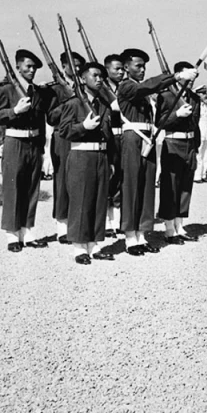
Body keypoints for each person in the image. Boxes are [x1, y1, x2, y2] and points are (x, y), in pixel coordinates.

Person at [117, 48, 195, 255]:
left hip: (148, 138)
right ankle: (129, 238)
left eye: (144, 66)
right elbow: (148, 86)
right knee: (132, 187)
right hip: (133, 138)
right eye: (138, 65)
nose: (142, 70)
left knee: (146, 189)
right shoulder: (126, 86)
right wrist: (176, 77)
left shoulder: (143, 91)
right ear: (126, 67)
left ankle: (141, 235)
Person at [0, 49, 53, 252]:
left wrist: (43, 147)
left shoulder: (37, 91)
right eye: (28, 66)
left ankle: (26, 231)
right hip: (15, 142)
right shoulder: (7, 89)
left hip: (34, 144)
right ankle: (11, 234)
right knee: (13, 187)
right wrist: (15, 111)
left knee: (31, 188)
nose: (32, 70)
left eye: (34, 67)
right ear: (17, 67)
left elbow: (42, 119)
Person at [59, 62, 115, 265]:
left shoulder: (104, 105)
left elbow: (109, 136)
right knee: (81, 201)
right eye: (94, 75)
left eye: (101, 76)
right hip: (81, 156)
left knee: (99, 200)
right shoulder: (73, 104)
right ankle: (79, 247)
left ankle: (95, 244)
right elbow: (64, 131)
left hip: (100, 157)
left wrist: (111, 160)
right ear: (82, 79)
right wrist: (83, 126)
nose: (99, 79)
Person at [156, 60, 200, 243]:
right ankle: (169, 229)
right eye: (189, 75)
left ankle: (180, 226)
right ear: (180, 74)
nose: (192, 79)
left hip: (190, 144)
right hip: (173, 143)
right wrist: (176, 115)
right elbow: (159, 123)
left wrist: (195, 147)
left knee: (185, 187)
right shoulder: (166, 96)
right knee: (170, 187)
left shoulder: (195, 97)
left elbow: (196, 125)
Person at [48, 51, 85, 244]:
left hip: (81, 135)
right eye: (73, 65)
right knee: (62, 180)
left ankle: (77, 224)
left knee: (80, 181)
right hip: (62, 137)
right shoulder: (55, 89)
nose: (76, 69)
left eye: (79, 66)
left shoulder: (84, 86)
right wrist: (68, 103)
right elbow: (51, 117)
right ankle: (62, 225)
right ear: (64, 66)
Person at [103, 53, 125, 234]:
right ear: (107, 70)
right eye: (116, 69)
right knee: (109, 178)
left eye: (122, 69)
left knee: (121, 178)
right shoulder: (101, 90)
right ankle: (106, 222)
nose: (120, 72)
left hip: (123, 136)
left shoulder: (125, 88)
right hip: (109, 137)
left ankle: (117, 220)